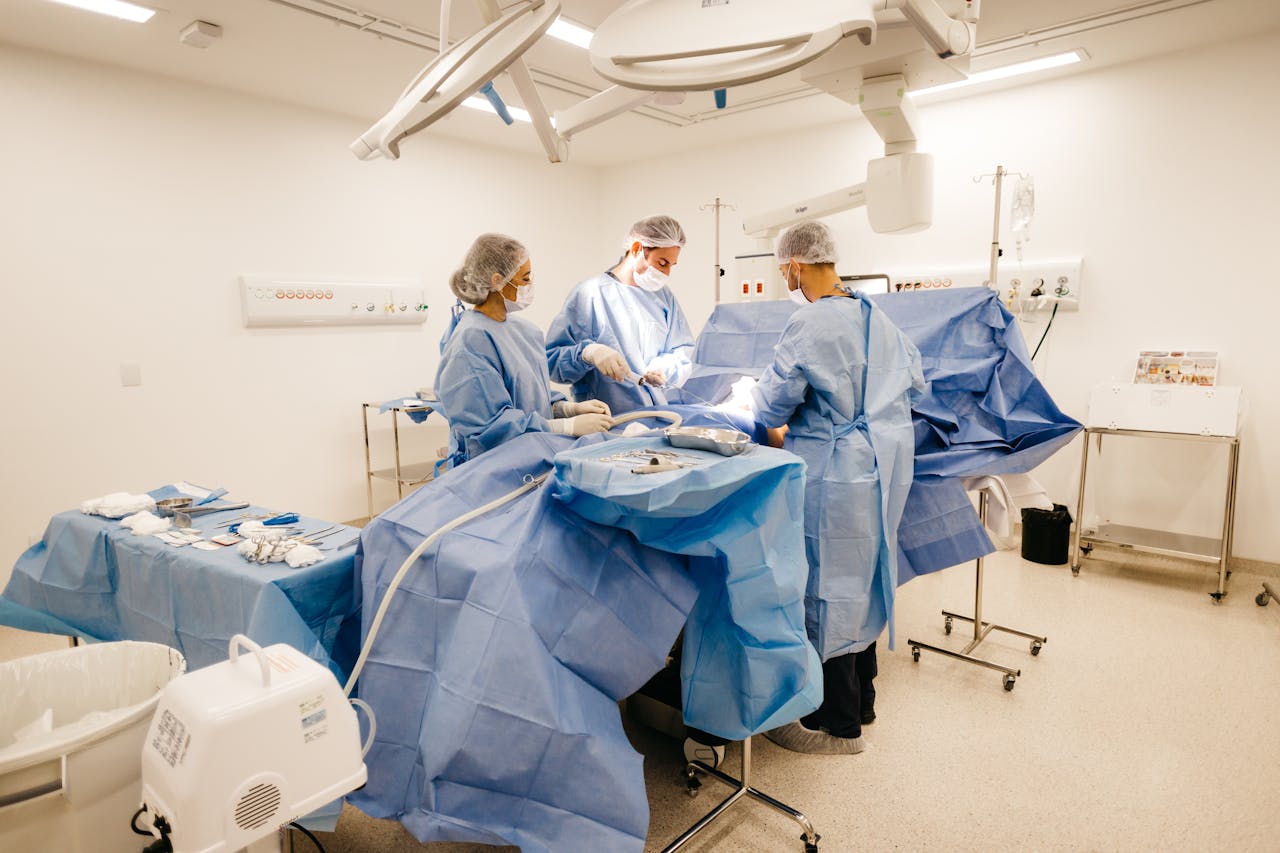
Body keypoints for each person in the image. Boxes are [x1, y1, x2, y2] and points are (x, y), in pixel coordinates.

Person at [748, 220, 924, 754]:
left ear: (794, 266)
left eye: (784, 271)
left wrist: (776, 407)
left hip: (837, 471)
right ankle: (863, 699)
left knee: (826, 586)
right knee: (863, 580)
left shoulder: (810, 321)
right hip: (884, 463)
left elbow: (772, 405)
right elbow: (914, 384)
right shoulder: (877, 317)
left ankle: (836, 722)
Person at [435, 233, 613, 467]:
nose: (530, 285)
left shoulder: (525, 331)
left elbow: (531, 396)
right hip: (494, 469)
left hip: (535, 457)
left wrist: (567, 409)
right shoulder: (471, 340)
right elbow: (490, 426)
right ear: (498, 281)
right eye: (525, 278)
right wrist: (564, 427)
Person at [545, 215, 695, 414]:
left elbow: (682, 349)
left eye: (671, 266)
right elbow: (552, 362)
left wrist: (664, 367)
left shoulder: (663, 297)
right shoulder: (590, 295)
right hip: (605, 418)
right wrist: (587, 353)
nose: (666, 273)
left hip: (657, 415)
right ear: (636, 249)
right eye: (662, 263)